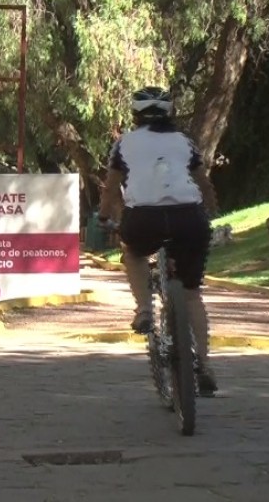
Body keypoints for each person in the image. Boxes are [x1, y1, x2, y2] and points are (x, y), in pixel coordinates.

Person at [97, 86, 219, 395]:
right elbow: (203, 183)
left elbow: (111, 188)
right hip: (188, 217)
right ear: (170, 114)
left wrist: (103, 216)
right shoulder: (185, 143)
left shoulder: (123, 144)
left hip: (144, 218)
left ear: (135, 115)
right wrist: (211, 212)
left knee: (133, 253)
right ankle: (204, 365)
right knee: (192, 295)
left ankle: (144, 310)